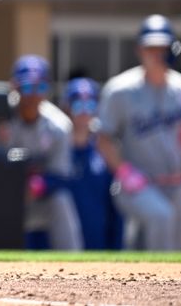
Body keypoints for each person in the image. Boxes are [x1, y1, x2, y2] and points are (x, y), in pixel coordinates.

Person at [96, 15, 181, 250]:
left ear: (173, 49)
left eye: (163, 47)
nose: (157, 54)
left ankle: (142, 285)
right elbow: (103, 138)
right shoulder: (120, 91)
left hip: (178, 184)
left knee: (172, 249)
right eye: (151, 47)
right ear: (139, 49)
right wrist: (123, 170)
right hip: (137, 184)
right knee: (161, 217)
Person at [0, 55, 82, 250]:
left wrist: (36, 186)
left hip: (38, 197)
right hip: (4, 194)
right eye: (27, 87)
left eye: (40, 87)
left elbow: (62, 175)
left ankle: (73, 265)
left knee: (61, 201)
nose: (33, 95)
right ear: (14, 87)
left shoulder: (59, 125)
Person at [63, 78, 123, 250]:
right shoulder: (58, 149)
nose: (84, 112)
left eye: (90, 105)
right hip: (62, 245)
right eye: (77, 105)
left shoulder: (106, 150)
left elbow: (115, 206)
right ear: (67, 109)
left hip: (98, 241)